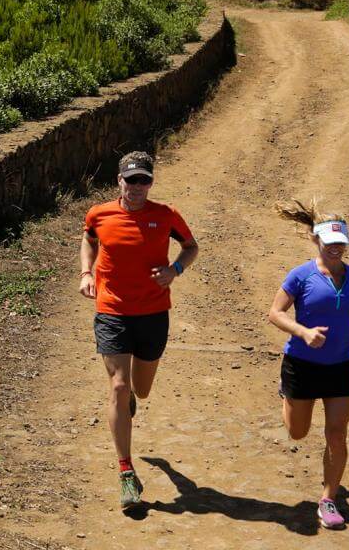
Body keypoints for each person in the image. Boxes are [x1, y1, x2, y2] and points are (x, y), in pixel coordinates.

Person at [80, 150, 199, 509]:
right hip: (112, 309)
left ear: (151, 182)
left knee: (140, 390)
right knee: (117, 385)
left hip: (152, 312)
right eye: (130, 180)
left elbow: (191, 247)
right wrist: (87, 273)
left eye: (143, 180)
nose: (137, 187)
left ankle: (131, 394)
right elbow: (89, 238)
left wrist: (174, 271)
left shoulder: (166, 215)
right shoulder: (99, 214)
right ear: (119, 180)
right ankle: (126, 471)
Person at [268, 199, 349, 530]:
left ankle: (328, 499)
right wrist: (303, 332)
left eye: (340, 243)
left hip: (340, 365)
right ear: (316, 240)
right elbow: (275, 313)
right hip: (302, 364)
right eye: (329, 243)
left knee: (337, 433)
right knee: (297, 432)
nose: (336, 249)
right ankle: (287, 396)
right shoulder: (300, 276)